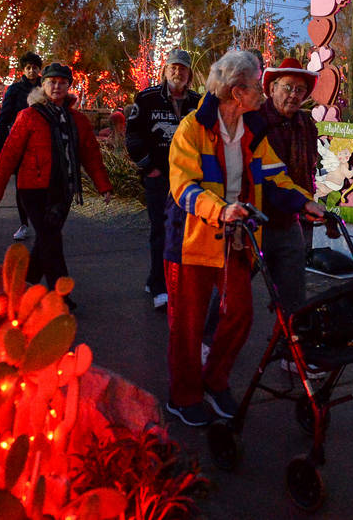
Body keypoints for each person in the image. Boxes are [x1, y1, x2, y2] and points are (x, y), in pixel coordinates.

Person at [164, 50, 325, 427]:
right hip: (191, 242)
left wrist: (305, 203)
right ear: (237, 91)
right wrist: (220, 209)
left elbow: (274, 177)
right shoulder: (193, 128)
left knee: (239, 314)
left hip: (236, 239)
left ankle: (215, 381)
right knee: (187, 326)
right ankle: (183, 396)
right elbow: (182, 187)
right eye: (255, 87)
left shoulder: (252, 131)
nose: (261, 93)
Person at [0, 62, 113, 304]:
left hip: (63, 190)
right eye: (51, 82)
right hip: (33, 189)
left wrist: (103, 185)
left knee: (46, 240)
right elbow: (8, 155)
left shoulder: (76, 119)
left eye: (61, 82)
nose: (56, 86)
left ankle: (24, 288)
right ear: (42, 85)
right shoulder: (28, 116)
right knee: (51, 238)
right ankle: (61, 294)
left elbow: (90, 154)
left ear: (68, 86)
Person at [126, 49, 201, 309]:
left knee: (184, 231)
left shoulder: (198, 101)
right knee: (161, 230)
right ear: (165, 70)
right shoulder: (147, 99)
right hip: (159, 176)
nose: (177, 72)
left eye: (182, 68)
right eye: (173, 67)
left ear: (189, 74)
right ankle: (160, 285)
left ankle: (163, 279)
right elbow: (133, 135)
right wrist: (149, 167)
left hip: (188, 179)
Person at [258, 57, 319, 315]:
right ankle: (207, 344)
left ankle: (290, 348)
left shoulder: (306, 125)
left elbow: (310, 166)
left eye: (300, 90)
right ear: (272, 88)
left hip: (290, 218)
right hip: (255, 218)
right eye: (287, 87)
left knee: (293, 291)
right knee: (231, 293)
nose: (293, 95)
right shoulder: (254, 121)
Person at [0, 51, 44, 241]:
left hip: (41, 143)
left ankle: (39, 221)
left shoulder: (45, 89)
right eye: (28, 68)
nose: (31, 71)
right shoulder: (14, 90)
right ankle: (24, 223)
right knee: (21, 185)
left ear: (39, 69)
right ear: (23, 69)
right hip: (20, 142)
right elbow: (4, 117)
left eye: (35, 68)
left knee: (42, 183)